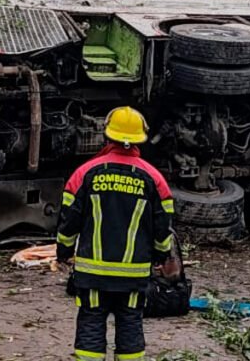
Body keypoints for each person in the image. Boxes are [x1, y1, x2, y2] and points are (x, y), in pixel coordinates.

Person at [57, 106, 175, 361]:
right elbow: (163, 226)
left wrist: (63, 252)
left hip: (92, 273)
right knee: (130, 323)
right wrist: (161, 256)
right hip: (133, 274)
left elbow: (68, 221)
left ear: (107, 135)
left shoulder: (84, 174)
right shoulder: (154, 179)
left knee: (91, 322)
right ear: (139, 139)